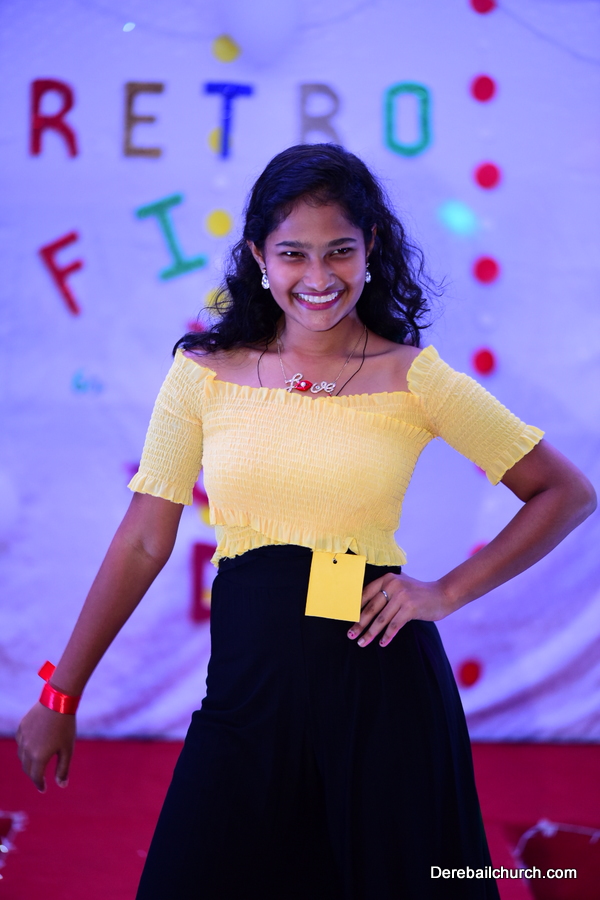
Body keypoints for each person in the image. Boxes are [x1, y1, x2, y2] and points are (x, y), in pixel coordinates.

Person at [16, 144, 596, 899]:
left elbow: (564, 492)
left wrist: (445, 593)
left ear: (371, 248)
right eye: (293, 253)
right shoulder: (203, 374)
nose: (318, 277)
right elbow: (142, 540)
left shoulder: (413, 376)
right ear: (259, 254)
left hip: (380, 693)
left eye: (339, 251)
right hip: (246, 695)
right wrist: (61, 693)